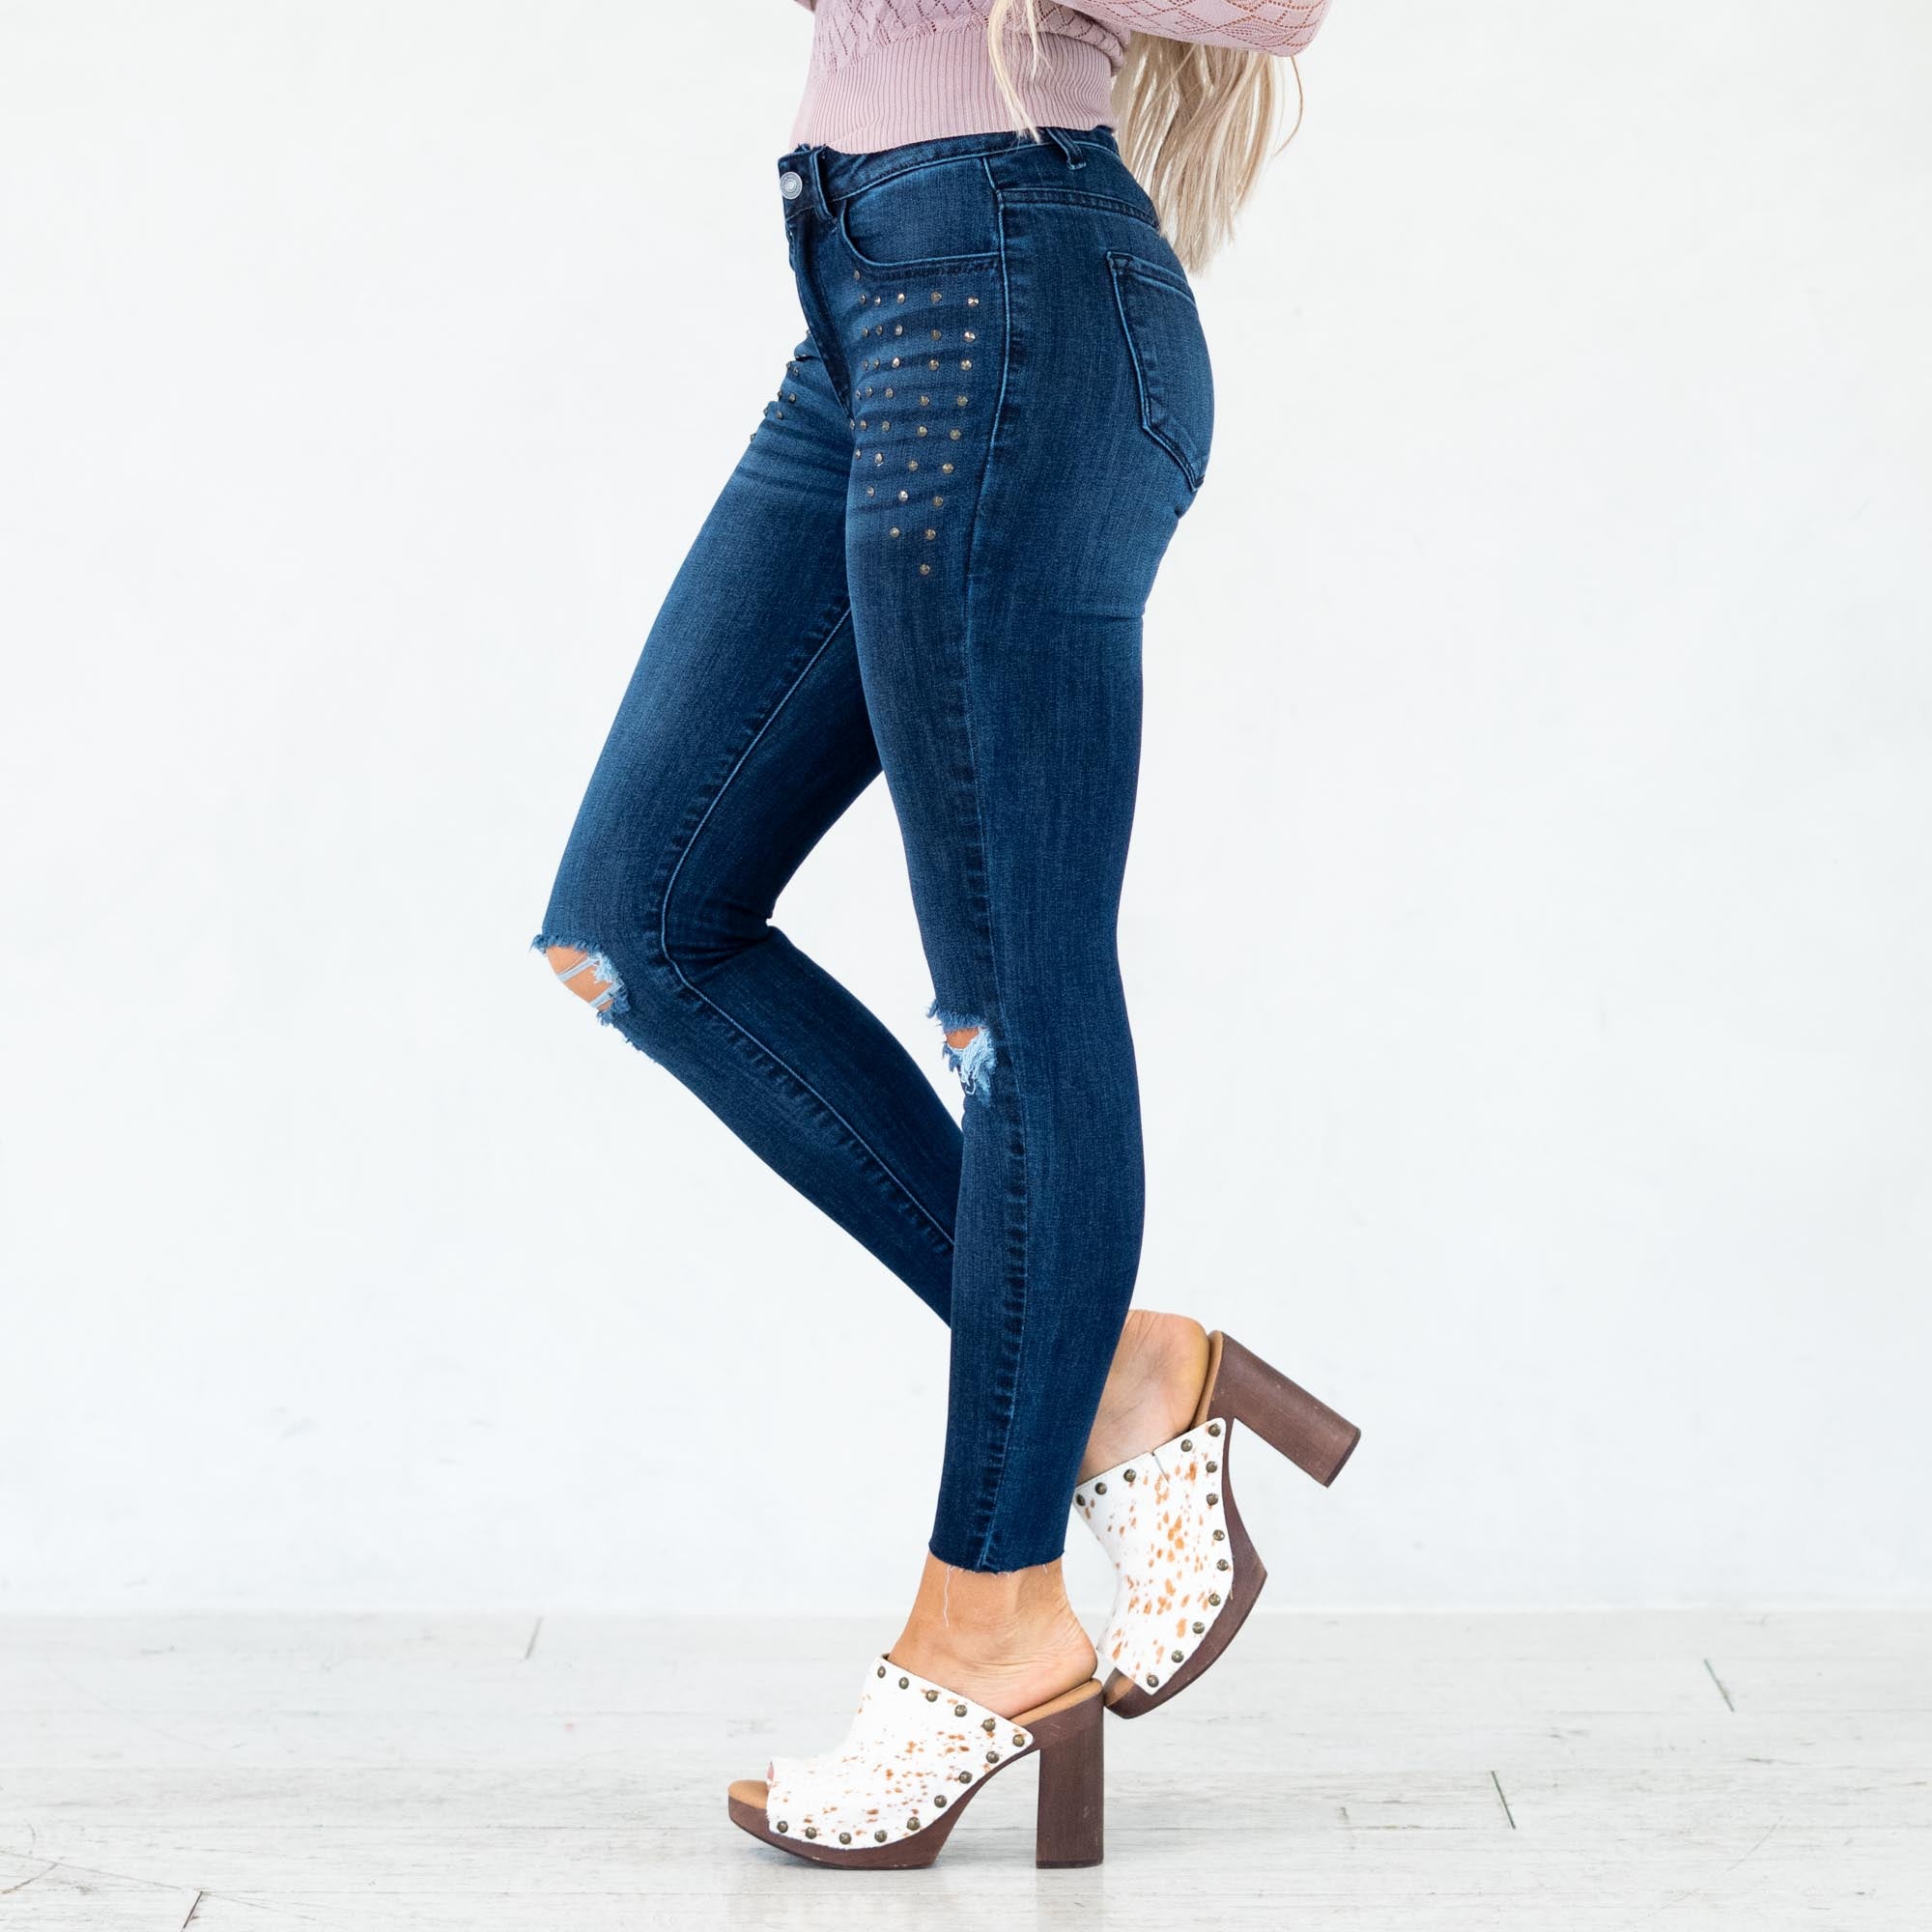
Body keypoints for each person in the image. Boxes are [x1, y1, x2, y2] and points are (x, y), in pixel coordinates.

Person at [531, 0, 1359, 1868]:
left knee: (1010, 999)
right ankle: (1130, 1377)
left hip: (1014, 285)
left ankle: (991, 1616)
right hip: (865, 285)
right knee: (634, 925)